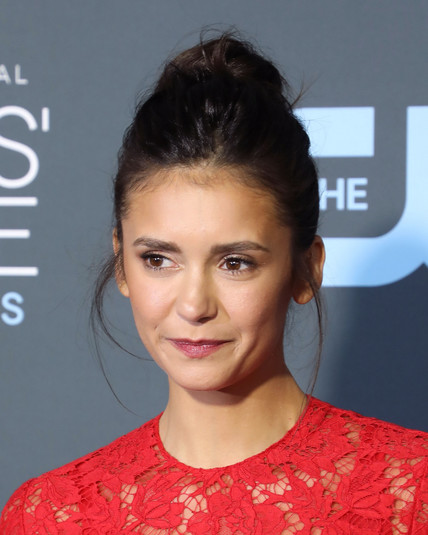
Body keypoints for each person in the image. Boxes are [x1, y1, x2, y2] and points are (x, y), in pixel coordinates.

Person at [1, 33, 427, 534]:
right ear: (121, 265)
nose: (194, 305)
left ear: (306, 269)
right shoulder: (50, 516)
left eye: (235, 263)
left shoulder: (411, 493)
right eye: (158, 259)